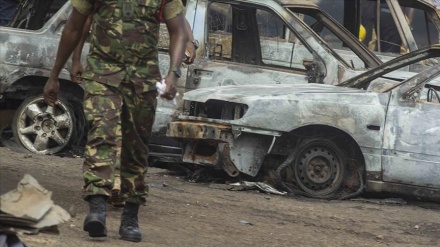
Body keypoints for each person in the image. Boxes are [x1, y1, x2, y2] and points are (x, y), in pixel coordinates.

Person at [43, 0, 187, 242]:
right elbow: (74, 27)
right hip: (102, 75)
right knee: (102, 133)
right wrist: (54, 75)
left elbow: (178, 31)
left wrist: (173, 73)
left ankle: (130, 215)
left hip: (143, 80)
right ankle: (97, 206)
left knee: (136, 147)